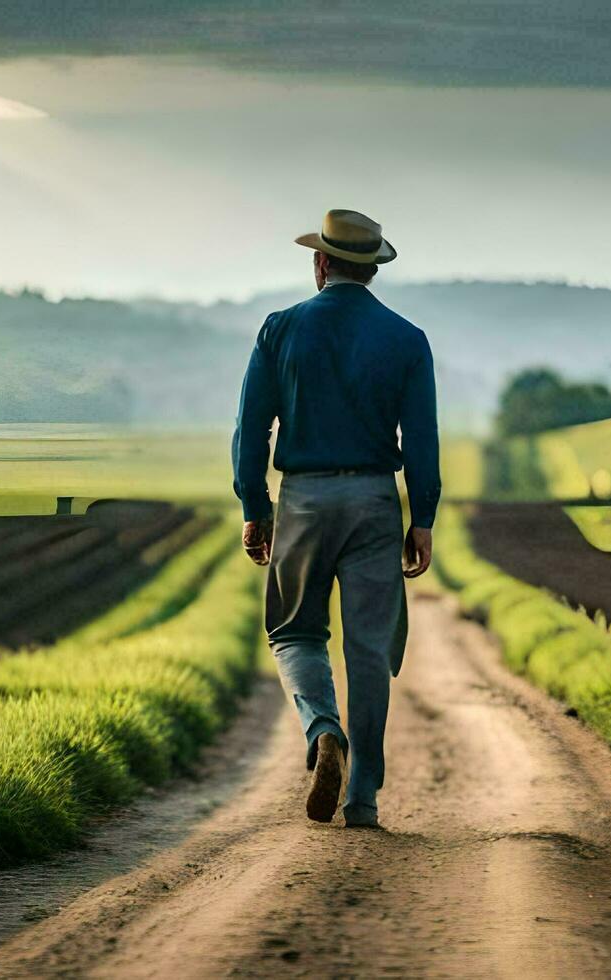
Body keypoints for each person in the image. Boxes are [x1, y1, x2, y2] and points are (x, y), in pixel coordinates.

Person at [232, 208, 440, 829]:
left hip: (303, 498)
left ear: (321, 262)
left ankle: (324, 729)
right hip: (375, 500)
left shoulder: (281, 329)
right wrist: (421, 516)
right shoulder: (407, 339)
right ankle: (364, 800)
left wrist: (254, 506)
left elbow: (251, 428)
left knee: (294, 631)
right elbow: (422, 440)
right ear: (372, 270)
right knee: (370, 651)